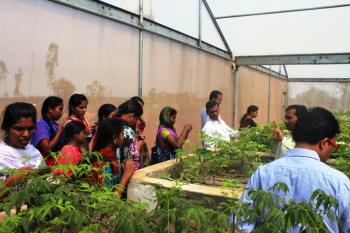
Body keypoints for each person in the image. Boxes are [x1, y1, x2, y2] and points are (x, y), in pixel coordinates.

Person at [239, 107, 350, 233]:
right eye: (334, 145)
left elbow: (241, 224)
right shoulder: (339, 182)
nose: (333, 150)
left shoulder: (263, 173)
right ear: (324, 143)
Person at [92, 118, 136, 196]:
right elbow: (108, 201)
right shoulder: (102, 164)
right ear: (115, 138)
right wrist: (125, 176)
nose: (124, 138)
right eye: (122, 135)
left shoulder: (111, 156)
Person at [0, 102, 44, 170]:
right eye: (19, 129)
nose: (26, 134)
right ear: (6, 128)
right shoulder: (2, 154)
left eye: (30, 128)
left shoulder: (34, 152)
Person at [31, 96, 64, 166]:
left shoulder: (54, 125)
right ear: (50, 109)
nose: (62, 113)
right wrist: (59, 132)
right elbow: (47, 148)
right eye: (60, 109)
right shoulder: (41, 125)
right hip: (43, 166)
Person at [117, 100, 143, 169]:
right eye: (136, 119)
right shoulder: (128, 132)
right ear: (132, 115)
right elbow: (134, 161)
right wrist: (139, 145)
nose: (136, 122)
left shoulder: (112, 125)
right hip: (125, 175)